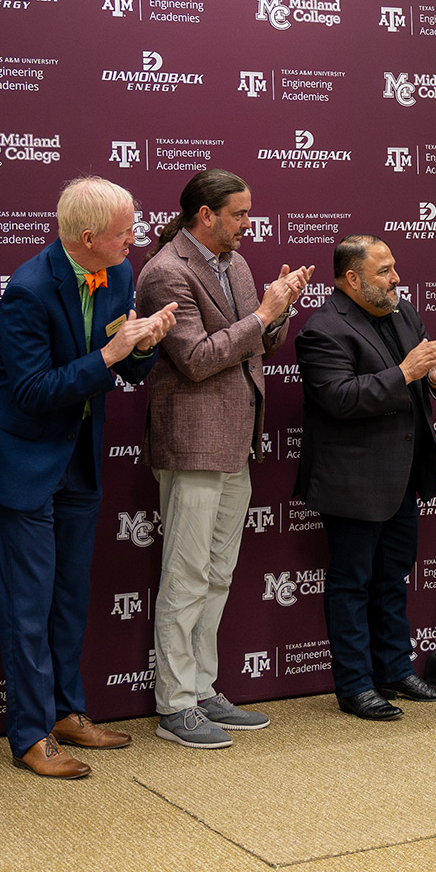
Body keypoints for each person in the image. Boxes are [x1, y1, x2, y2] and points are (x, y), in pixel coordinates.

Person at [0, 177, 177, 778]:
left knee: (69, 598)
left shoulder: (116, 274)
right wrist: (112, 358)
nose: (133, 241)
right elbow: (34, 391)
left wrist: (143, 347)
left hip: (80, 459)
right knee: (28, 606)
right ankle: (31, 735)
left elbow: (127, 368)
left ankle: (66, 712)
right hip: (25, 463)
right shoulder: (30, 290)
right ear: (88, 238)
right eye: (123, 232)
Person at [137, 170, 312, 749]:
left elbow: (259, 344)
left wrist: (278, 313)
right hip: (191, 442)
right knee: (185, 575)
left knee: (217, 574)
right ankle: (175, 702)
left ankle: (203, 687)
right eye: (238, 213)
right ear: (205, 215)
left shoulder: (235, 263)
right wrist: (264, 314)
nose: (247, 223)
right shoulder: (166, 271)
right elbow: (195, 357)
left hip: (238, 440)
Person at [295, 235, 436, 721]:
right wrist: (407, 371)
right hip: (353, 481)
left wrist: (434, 379)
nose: (396, 278)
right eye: (384, 271)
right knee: (352, 583)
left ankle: (396, 668)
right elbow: (339, 399)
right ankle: (355, 685)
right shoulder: (323, 330)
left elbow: (412, 382)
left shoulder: (403, 312)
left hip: (404, 474)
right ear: (352, 279)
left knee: (392, 578)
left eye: (394, 267)